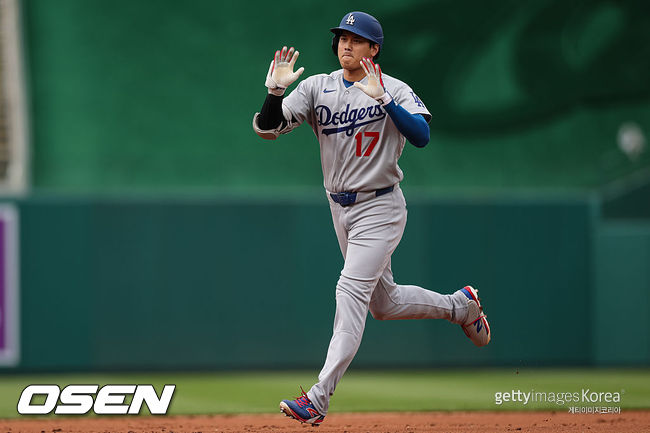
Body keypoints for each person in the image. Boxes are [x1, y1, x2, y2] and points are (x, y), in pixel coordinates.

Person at [252, 11, 491, 426]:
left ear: (373, 49)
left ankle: (318, 399)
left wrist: (385, 101)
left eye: (356, 39)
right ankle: (462, 306)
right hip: (339, 208)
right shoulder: (317, 87)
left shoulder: (393, 88)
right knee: (383, 303)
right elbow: (268, 129)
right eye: (342, 38)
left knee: (349, 290)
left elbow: (421, 136)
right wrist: (274, 92)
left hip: (380, 207)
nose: (346, 44)